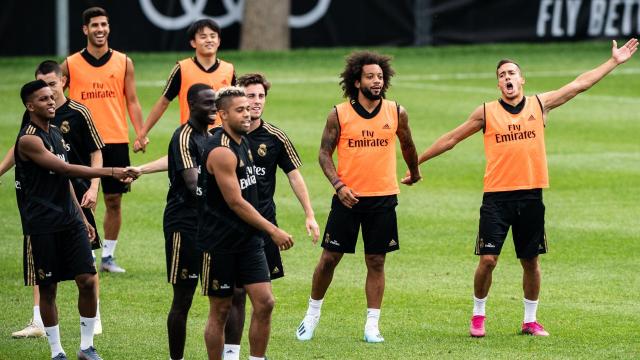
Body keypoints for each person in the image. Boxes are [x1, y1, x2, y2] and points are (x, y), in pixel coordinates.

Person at [404, 39, 638, 338]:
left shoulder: (540, 104)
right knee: (488, 260)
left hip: (530, 196)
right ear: (498, 84)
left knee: (531, 261)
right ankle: (478, 315)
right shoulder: (486, 112)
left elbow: (579, 84)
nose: (507, 78)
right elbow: (451, 138)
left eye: (511, 73)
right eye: (502, 75)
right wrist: (416, 164)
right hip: (496, 199)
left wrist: (614, 62)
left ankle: (530, 320)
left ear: (521, 79)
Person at [296, 51, 421, 343]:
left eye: (380, 77)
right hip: (347, 199)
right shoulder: (338, 114)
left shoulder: (396, 112)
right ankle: (312, 314)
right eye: (370, 77)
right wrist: (339, 185)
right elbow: (324, 153)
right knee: (329, 258)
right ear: (356, 81)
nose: (376, 82)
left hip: (383, 198)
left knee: (376, 261)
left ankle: (372, 325)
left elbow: (408, 144)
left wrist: (414, 171)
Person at [16, 80, 135, 360]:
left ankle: (85, 347)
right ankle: (57, 351)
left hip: (69, 220)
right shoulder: (29, 139)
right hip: (42, 223)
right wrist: (112, 172)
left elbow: (64, 180)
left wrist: (82, 217)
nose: (51, 102)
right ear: (30, 106)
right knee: (48, 287)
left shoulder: (56, 133)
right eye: (43, 99)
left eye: (52, 97)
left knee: (88, 280)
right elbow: (65, 168)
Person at [3, 60, 107, 338]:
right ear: (31, 102)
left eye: (52, 85)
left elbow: (93, 152)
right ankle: (40, 325)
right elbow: (25, 150)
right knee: (44, 274)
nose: (49, 93)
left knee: (86, 264)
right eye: (42, 87)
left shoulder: (76, 113)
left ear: (62, 81)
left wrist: (95, 185)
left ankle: (93, 318)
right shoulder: (34, 125)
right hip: (43, 208)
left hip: (76, 196)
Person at [222, 73, 320, 360]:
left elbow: (294, 175)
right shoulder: (222, 138)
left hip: (263, 228)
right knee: (234, 296)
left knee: (261, 300)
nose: (256, 102)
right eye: (250, 96)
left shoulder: (275, 137)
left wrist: (309, 214)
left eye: (260, 96)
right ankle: (231, 354)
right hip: (229, 228)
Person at [197, 87, 294, 360]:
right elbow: (236, 202)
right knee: (221, 310)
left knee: (265, 302)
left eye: (248, 108)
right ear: (222, 115)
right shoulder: (221, 152)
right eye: (240, 110)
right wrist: (272, 230)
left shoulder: (243, 142)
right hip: (221, 243)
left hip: (248, 240)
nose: (248, 113)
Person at [128, 84, 217, 360]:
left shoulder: (212, 136)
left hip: (213, 225)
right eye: (208, 104)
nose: (214, 108)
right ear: (191, 104)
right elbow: (193, 185)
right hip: (185, 225)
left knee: (225, 297)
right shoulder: (183, 136)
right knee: (183, 299)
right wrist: (229, 198)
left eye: (216, 103)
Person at [61, 6, 146, 273]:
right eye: (94, 25)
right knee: (80, 199)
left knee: (113, 200)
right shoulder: (70, 63)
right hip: (80, 142)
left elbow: (132, 100)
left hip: (115, 139)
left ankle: (108, 256)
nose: (100, 30)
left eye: (104, 25)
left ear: (109, 28)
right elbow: (55, 99)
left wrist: (140, 133)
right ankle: (82, 251)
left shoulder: (124, 62)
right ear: (85, 30)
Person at [139, 18, 235, 143]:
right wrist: (143, 133)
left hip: (222, 138)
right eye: (203, 36)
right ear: (193, 43)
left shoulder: (229, 69)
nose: (209, 40)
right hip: (192, 138)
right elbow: (163, 102)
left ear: (219, 41)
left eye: (213, 36)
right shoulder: (182, 68)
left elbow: (236, 104)